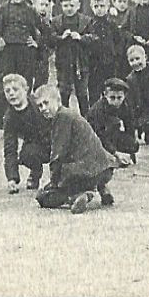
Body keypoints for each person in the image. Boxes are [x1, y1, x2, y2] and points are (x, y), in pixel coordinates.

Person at [32, 84, 117, 213]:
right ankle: (101, 188)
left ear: (58, 100)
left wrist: (54, 183)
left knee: (43, 197)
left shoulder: (62, 118)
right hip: (105, 168)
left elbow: (57, 155)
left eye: (46, 103)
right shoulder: (69, 114)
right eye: (40, 105)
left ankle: (83, 195)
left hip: (84, 173)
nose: (43, 108)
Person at [0, 73, 51, 193]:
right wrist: (11, 179)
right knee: (26, 154)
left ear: (26, 90)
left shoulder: (39, 103)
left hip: (55, 138)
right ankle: (36, 172)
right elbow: (10, 148)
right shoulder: (9, 117)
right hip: (36, 145)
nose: (11, 93)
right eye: (7, 91)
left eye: (15, 89)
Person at [53, 0, 91, 113]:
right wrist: (61, 37)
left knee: (82, 94)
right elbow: (50, 39)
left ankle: (86, 121)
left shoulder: (86, 21)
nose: (68, 9)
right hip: (63, 63)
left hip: (81, 63)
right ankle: (64, 119)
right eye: (65, 6)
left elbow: (94, 38)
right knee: (64, 92)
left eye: (72, 5)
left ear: (78, 5)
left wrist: (81, 37)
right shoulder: (56, 21)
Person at [87, 77, 138, 166]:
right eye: (112, 97)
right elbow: (100, 135)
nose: (116, 101)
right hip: (93, 139)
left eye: (119, 98)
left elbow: (130, 127)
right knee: (113, 126)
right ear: (105, 95)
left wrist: (131, 155)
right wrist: (116, 153)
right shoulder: (99, 109)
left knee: (133, 144)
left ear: (124, 96)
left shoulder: (126, 105)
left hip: (111, 136)